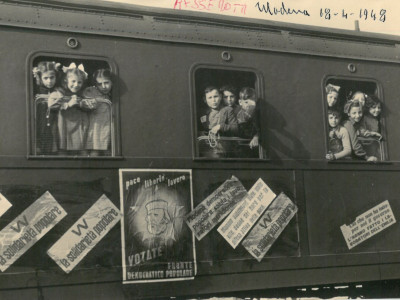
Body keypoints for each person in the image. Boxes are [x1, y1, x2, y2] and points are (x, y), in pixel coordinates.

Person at [48, 63, 94, 154]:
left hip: (80, 130)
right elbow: (51, 105)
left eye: (79, 82)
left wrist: (80, 103)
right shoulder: (59, 92)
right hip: (63, 130)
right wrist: (68, 104)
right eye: (73, 81)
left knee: (82, 153)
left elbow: (93, 104)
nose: (76, 85)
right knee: (62, 153)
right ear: (66, 80)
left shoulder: (84, 93)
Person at [199, 86, 238, 158]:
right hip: (207, 149)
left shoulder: (228, 110)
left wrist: (220, 126)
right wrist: (201, 133)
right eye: (210, 98)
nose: (213, 100)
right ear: (205, 99)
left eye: (215, 96)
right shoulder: (202, 113)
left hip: (223, 150)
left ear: (220, 97)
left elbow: (235, 128)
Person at [32, 61, 61, 154]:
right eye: (45, 78)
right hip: (40, 122)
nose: (49, 81)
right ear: (40, 78)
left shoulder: (58, 90)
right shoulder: (36, 90)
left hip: (53, 123)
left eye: (52, 77)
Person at [83, 69, 113, 156]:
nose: (103, 86)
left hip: (109, 133)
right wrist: (95, 101)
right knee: (94, 154)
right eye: (99, 84)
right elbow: (85, 101)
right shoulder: (91, 92)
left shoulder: (112, 94)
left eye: (106, 82)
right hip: (96, 133)